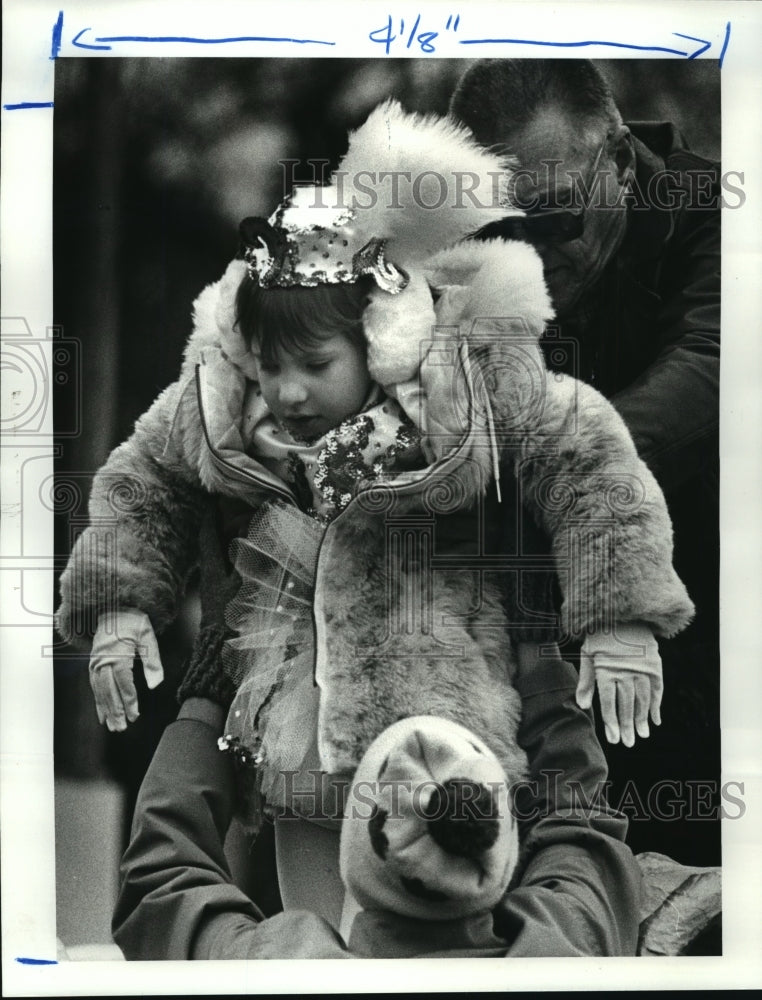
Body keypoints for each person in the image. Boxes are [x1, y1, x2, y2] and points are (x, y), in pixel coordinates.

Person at [56, 100, 694, 956]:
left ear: (381, 338)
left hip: (451, 743)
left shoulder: (470, 391)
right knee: (330, 948)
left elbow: (592, 458)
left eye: (313, 366)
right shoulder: (229, 409)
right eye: (268, 365)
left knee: (443, 933)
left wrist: (620, 619)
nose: (284, 391)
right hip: (300, 764)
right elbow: (146, 477)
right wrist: (121, 601)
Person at [449, 59, 721, 866]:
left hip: (706, 636)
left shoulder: (719, 211)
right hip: (529, 658)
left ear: (620, 150)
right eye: (507, 225)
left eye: (558, 213)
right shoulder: (458, 236)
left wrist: (561, 462)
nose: (534, 250)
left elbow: (709, 367)